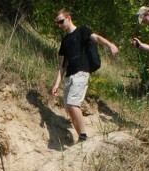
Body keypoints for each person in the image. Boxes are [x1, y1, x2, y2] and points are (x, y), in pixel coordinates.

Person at [51, 9, 119, 142]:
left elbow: (96, 38)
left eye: (61, 21)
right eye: (58, 23)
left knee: (73, 104)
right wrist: (56, 84)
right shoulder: (65, 41)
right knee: (70, 110)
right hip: (69, 77)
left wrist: (110, 45)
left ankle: (83, 136)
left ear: (69, 18)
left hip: (82, 73)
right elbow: (63, 65)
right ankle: (81, 138)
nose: (60, 25)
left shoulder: (82, 30)